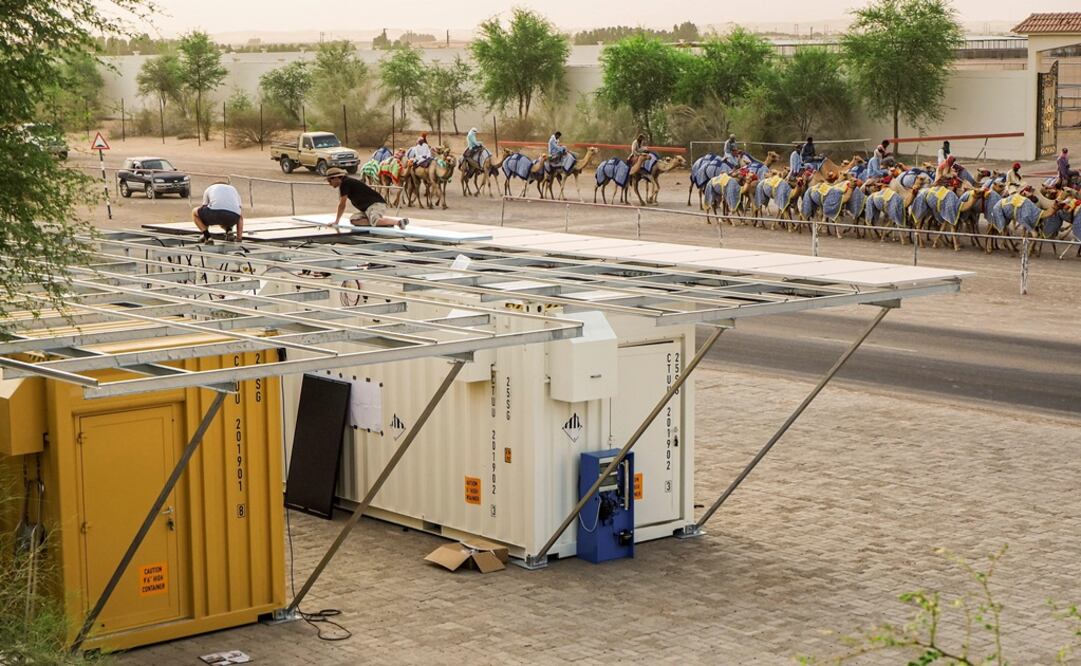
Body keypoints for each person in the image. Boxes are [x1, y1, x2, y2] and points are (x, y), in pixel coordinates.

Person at [326, 167, 409, 229]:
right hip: (367, 209)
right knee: (354, 220)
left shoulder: (345, 183)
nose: (329, 183)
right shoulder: (345, 183)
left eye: (330, 181)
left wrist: (336, 221)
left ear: (336, 178)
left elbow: (342, 204)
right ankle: (384, 223)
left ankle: (398, 222)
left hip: (375, 205)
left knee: (375, 220)